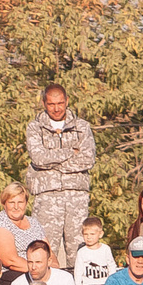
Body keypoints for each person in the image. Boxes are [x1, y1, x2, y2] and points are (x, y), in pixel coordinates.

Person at [25, 84, 97, 263]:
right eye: (51, 104)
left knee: (80, 251)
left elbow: (88, 159)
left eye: (60, 103)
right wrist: (70, 152)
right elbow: (39, 158)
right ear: (44, 103)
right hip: (47, 198)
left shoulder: (82, 127)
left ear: (67, 101)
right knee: (44, 250)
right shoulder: (35, 128)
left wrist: (53, 166)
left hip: (77, 197)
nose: (56, 108)